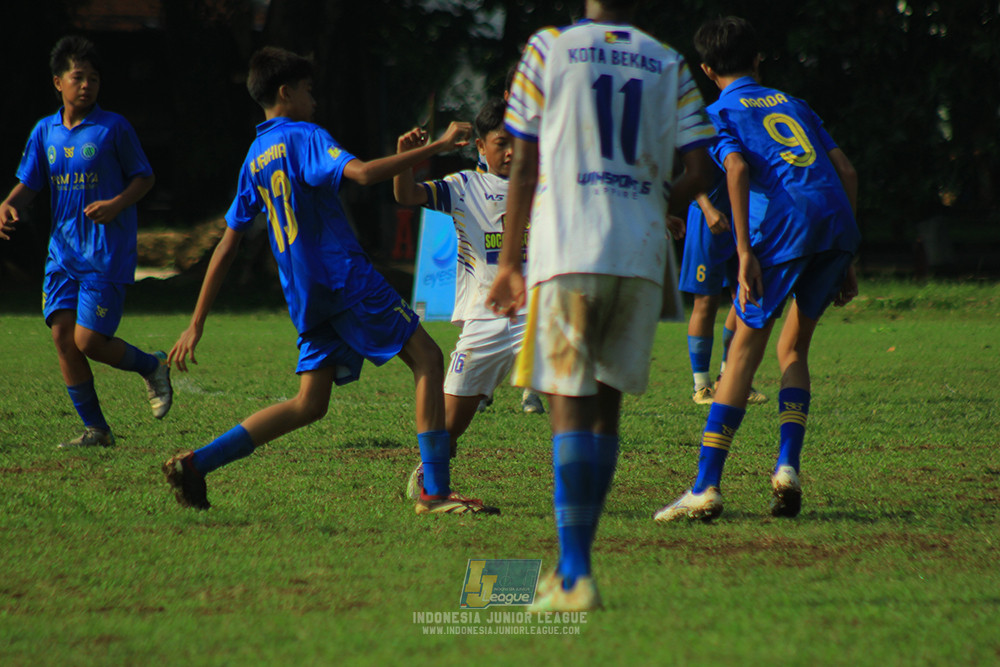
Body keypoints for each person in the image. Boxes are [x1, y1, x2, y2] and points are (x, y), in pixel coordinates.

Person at [163, 47, 497, 516]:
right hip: (344, 278)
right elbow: (362, 174)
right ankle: (435, 492)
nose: (314, 100)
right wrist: (435, 147)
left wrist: (195, 323)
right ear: (286, 92)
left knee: (309, 403)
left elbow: (226, 246)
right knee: (427, 357)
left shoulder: (254, 158)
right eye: (308, 90)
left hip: (306, 297)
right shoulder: (306, 136)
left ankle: (198, 464)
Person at [488, 0, 715, 611]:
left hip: (569, 246)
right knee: (605, 413)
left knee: (567, 407)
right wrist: (652, 201)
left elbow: (524, 162)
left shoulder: (548, 48)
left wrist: (508, 263)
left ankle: (575, 576)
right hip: (640, 253)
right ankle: (574, 571)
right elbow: (702, 168)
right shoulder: (668, 61)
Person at [654, 16, 859, 523]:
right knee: (794, 348)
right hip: (836, 223)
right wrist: (848, 255)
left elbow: (738, 167)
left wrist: (744, 252)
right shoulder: (794, 103)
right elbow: (846, 171)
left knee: (743, 353)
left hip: (787, 230)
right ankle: (787, 467)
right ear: (758, 59)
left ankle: (705, 486)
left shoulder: (719, 111)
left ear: (707, 69)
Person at [0, 36, 171, 449]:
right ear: (57, 82)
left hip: (104, 253)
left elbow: (145, 177)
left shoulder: (114, 128)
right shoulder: (45, 132)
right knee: (63, 337)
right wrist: (8, 204)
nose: (86, 85)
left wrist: (115, 204)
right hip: (62, 253)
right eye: (78, 77)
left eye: (93, 78)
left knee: (88, 341)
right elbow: (30, 183)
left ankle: (152, 366)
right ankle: (97, 430)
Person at [395, 98, 534, 500]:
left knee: (575, 403)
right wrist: (406, 157)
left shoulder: (544, 185)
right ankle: (431, 473)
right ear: (481, 146)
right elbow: (406, 195)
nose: (512, 152)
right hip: (485, 318)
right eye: (502, 143)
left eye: (519, 143)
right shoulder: (463, 186)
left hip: (537, 314)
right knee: (449, 425)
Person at [680, 169, 767, 406]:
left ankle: (729, 379)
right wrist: (708, 209)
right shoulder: (709, 141)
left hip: (742, 220)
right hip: (708, 219)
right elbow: (692, 169)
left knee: (746, 295)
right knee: (706, 301)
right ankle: (701, 386)